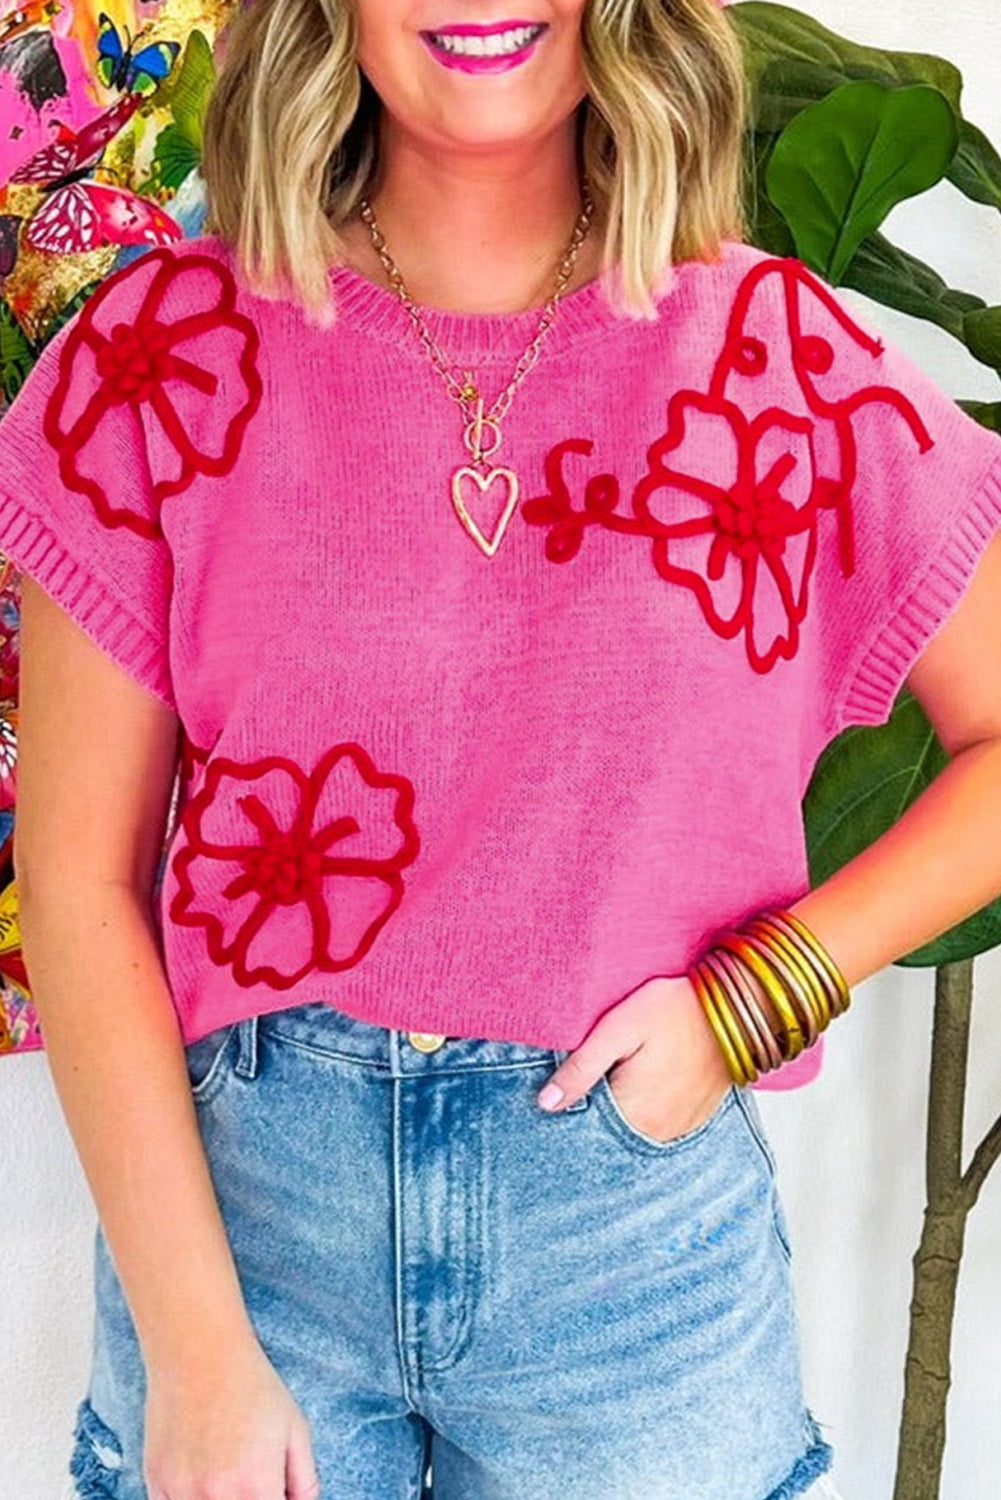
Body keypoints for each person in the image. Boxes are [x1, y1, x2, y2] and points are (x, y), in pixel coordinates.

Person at [3, 0, 1001, 1496]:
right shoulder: (156, 358)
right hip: (241, 1230)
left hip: (629, 1248)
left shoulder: (777, 359)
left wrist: (758, 999)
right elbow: (80, 879)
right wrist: (197, 1349)